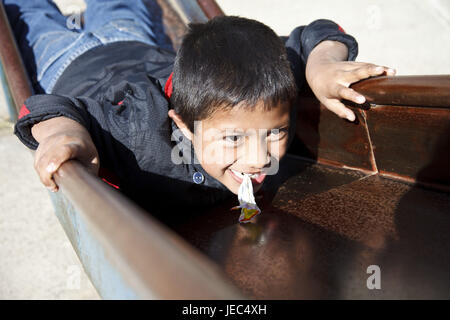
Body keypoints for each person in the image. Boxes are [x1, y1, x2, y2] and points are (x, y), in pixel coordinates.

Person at [8, 0, 395, 212]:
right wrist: (63, 134)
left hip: (138, 44)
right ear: (183, 124)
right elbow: (49, 105)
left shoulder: (267, 85)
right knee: (29, 13)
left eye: (274, 132)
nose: (260, 158)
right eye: (233, 138)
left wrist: (322, 64)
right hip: (71, 61)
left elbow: (319, 31)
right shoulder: (137, 131)